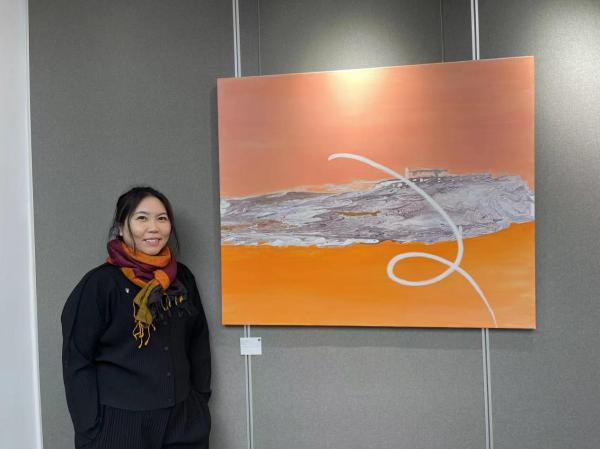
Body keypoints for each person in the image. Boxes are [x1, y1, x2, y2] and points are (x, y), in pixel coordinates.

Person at [61, 186, 211, 449]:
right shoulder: (101, 284)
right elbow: (77, 359)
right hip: (119, 425)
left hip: (183, 421)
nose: (154, 228)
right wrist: (90, 427)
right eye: (142, 218)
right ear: (121, 227)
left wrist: (199, 400)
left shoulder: (182, 278)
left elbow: (198, 342)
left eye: (161, 218)